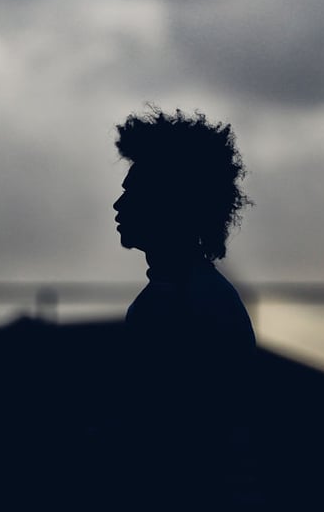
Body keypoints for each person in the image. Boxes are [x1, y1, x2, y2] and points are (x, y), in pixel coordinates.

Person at [111, 107, 257, 505]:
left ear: (167, 201)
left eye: (134, 191)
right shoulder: (199, 295)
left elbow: (168, 441)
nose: (118, 205)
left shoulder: (181, 302)